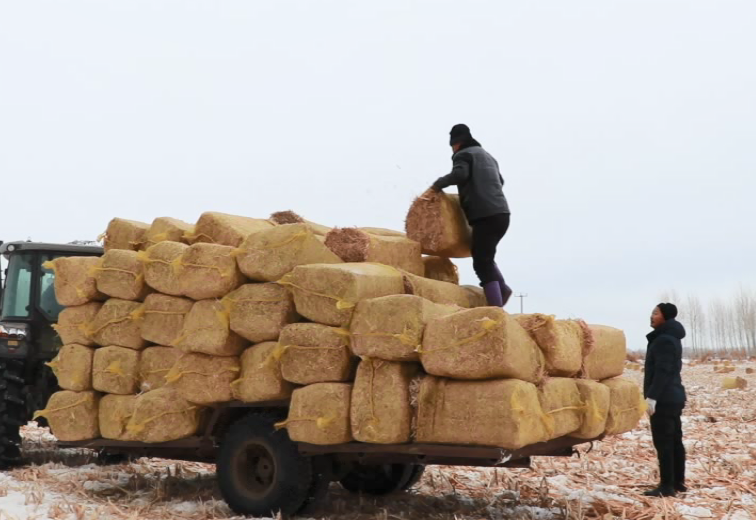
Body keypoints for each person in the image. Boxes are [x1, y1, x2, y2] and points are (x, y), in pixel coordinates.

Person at [428, 124, 512, 307]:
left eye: (452, 146)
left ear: (456, 143)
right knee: (485, 256)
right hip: (502, 214)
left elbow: (460, 174)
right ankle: (502, 289)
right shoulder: (488, 157)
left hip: (485, 215)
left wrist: (437, 185)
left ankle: (496, 309)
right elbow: (500, 181)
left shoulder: (463, 154)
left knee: (481, 263)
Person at [643, 302, 687, 497]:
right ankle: (678, 482)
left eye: (655, 313)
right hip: (673, 396)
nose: (651, 316)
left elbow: (663, 371)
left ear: (665, 317)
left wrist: (652, 397)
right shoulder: (671, 338)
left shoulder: (664, 340)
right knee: (675, 440)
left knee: (664, 442)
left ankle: (667, 485)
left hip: (664, 399)